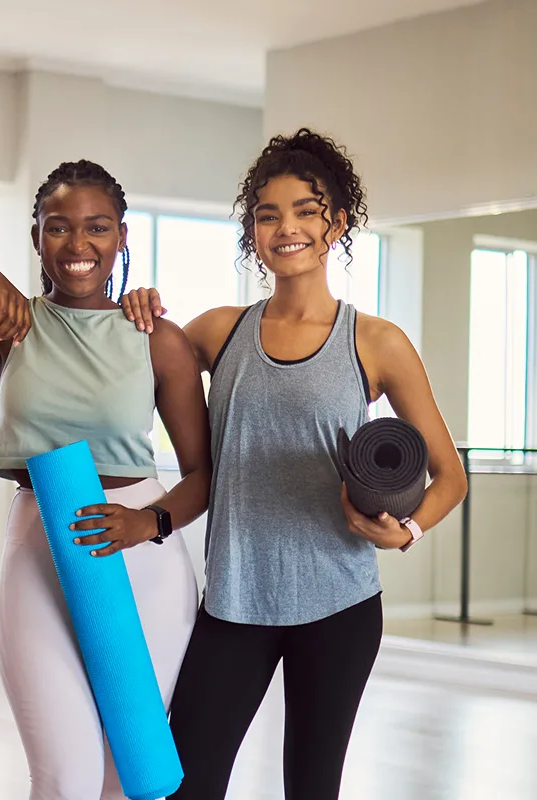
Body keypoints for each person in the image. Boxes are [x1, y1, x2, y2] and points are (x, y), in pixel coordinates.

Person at [120, 129, 468, 799]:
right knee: (185, 782)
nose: (287, 228)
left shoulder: (374, 341)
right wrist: (138, 307)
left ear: (335, 222)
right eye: (267, 214)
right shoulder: (220, 330)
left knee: (311, 787)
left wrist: (409, 529)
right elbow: (136, 368)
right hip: (234, 600)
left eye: (306, 211)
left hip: (338, 606)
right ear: (253, 231)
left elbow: (449, 474)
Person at [0, 159, 213, 800]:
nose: (78, 246)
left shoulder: (156, 339)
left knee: (128, 771)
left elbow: (202, 474)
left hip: (143, 556)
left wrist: (148, 523)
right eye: (57, 228)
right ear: (36, 236)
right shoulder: (9, 322)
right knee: (63, 775)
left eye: (98, 228)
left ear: (122, 237)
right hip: (40, 540)